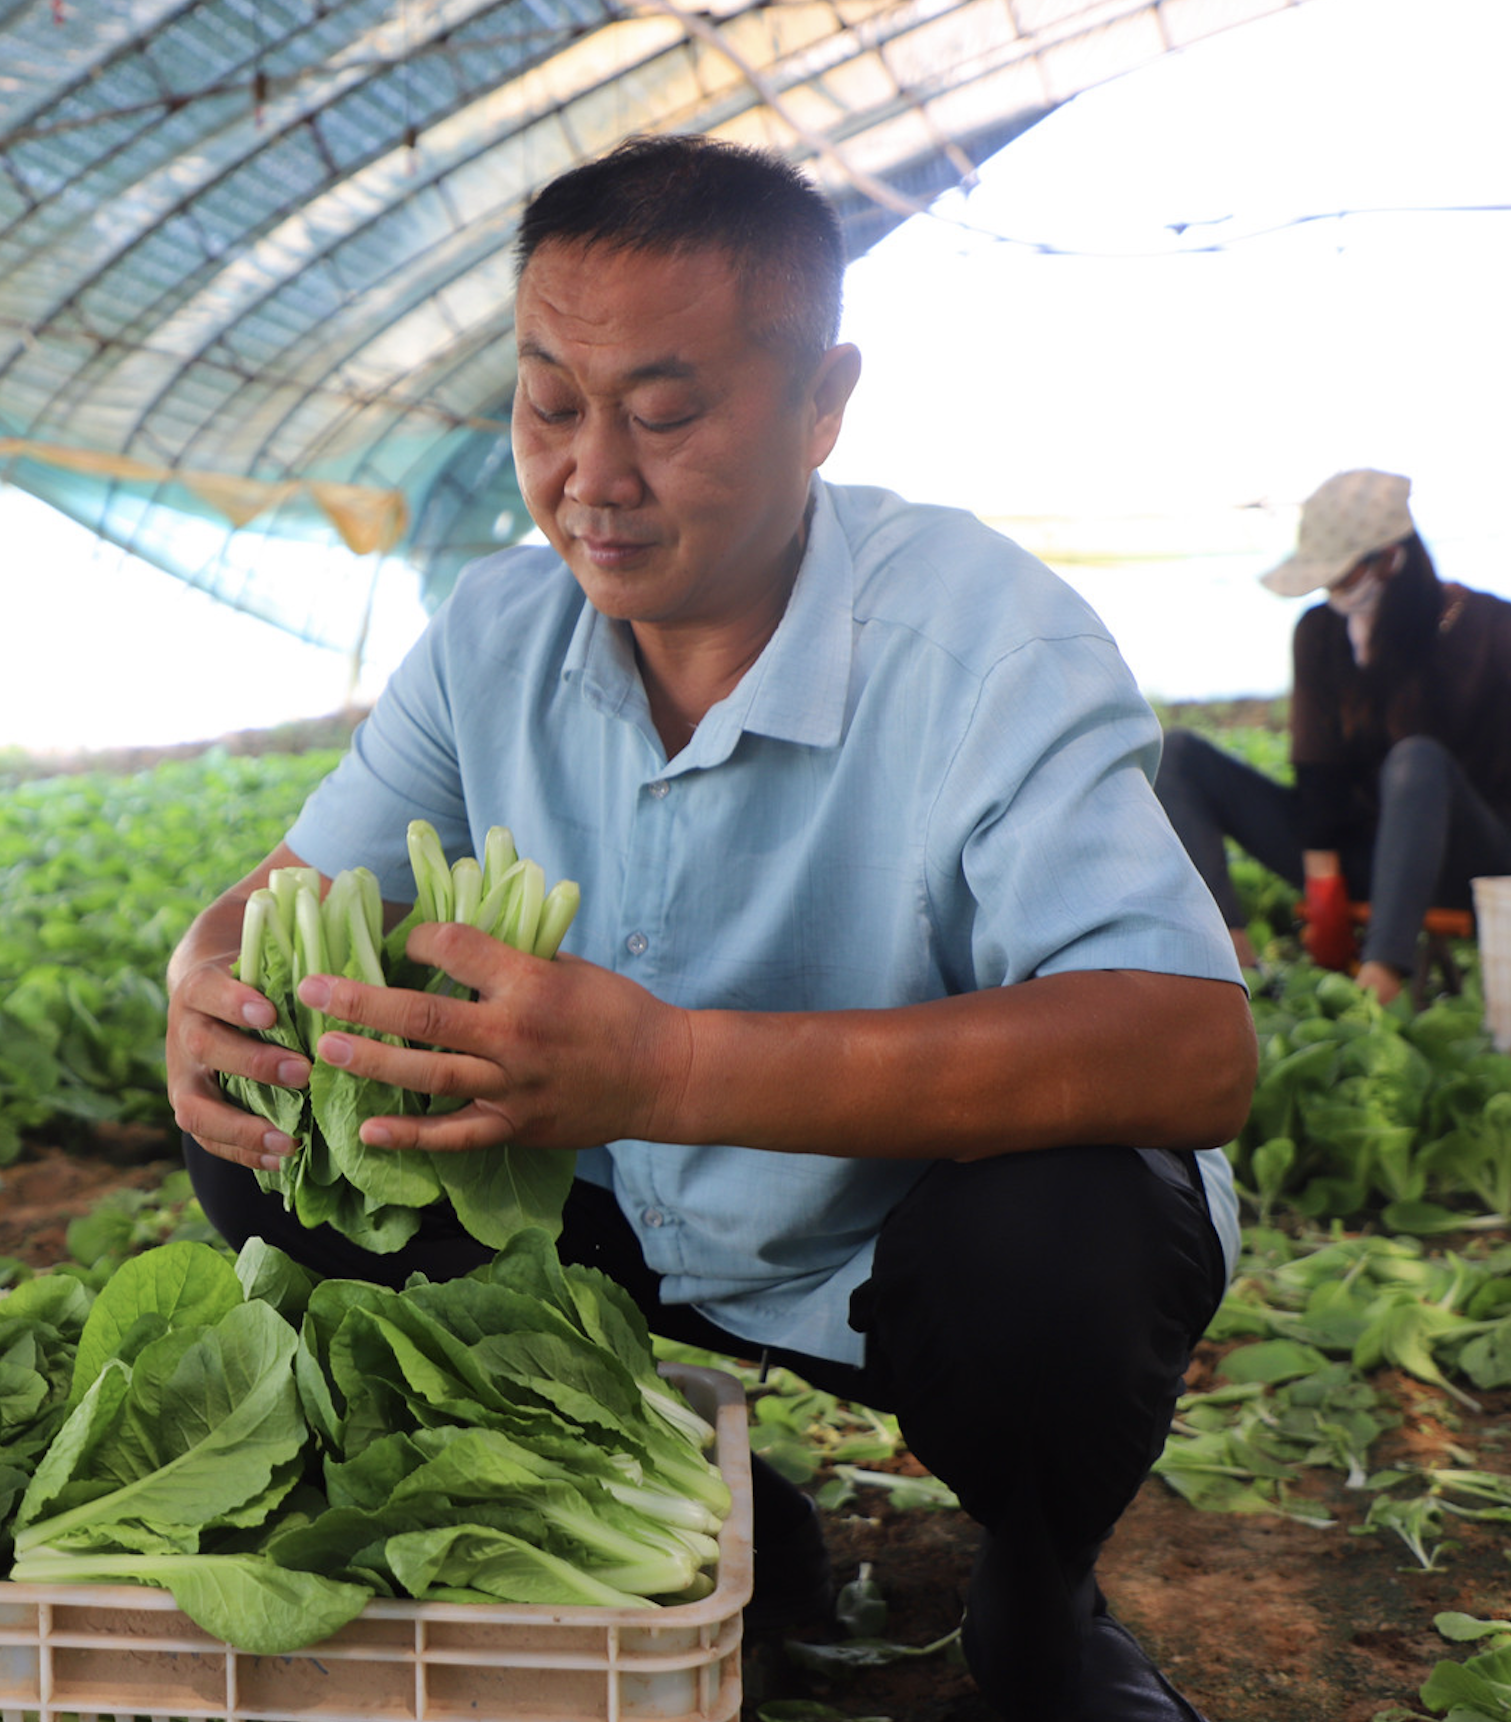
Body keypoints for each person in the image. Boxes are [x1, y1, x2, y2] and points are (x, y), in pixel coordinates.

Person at [162, 135, 1256, 1722]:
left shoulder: (976, 633)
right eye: (550, 404)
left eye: (665, 413)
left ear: (821, 404)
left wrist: (663, 1071)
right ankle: (675, 1494)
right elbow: (279, 897)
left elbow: (1190, 1044)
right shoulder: (491, 635)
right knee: (272, 1117)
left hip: (899, 1238)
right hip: (595, 1217)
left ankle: (1034, 1586)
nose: (590, 476)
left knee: (1068, 1230)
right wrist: (200, 977)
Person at [1156, 469, 1511, 1003]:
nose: (1333, 592)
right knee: (1177, 754)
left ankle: (1381, 983)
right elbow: (1317, 772)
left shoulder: (1489, 625)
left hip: (1470, 861)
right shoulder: (1321, 631)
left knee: (1415, 761)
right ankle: (1229, 969)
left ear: (1390, 558)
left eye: (1342, 577)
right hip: (1364, 855)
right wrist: (1323, 887)